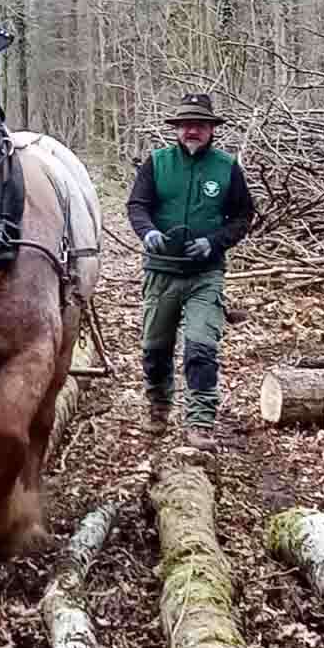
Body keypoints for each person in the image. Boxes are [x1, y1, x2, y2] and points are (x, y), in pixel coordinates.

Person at [126, 93, 254, 451]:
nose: (192, 130)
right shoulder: (157, 163)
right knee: (155, 348)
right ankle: (159, 405)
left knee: (201, 347)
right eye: (186, 125)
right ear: (177, 129)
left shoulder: (227, 168)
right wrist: (147, 231)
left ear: (212, 129)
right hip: (161, 272)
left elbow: (243, 217)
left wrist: (214, 242)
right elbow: (137, 205)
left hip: (205, 274)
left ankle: (200, 422)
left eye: (200, 125)